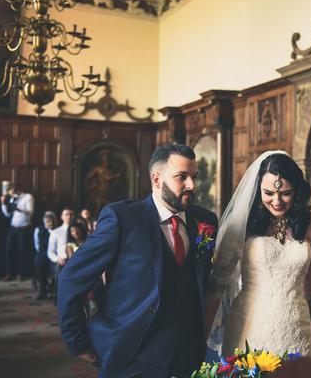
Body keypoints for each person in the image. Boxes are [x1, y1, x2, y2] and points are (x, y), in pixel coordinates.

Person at [58, 143, 218, 378]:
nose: (191, 185)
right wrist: (78, 341)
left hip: (190, 356)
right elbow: (72, 277)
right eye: (181, 177)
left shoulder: (205, 221)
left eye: (194, 176)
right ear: (156, 179)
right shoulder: (122, 218)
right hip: (132, 354)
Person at [206, 151, 311, 359]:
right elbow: (217, 285)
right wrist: (201, 338)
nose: (277, 200)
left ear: (297, 191)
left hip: (298, 329)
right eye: (268, 193)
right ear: (258, 189)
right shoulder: (243, 224)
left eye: (285, 193)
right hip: (249, 328)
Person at [1, 184, 34, 281]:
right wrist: (3, 204)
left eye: (12, 193)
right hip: (13, 227)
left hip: (24, 227)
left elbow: (31, 211)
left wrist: (18, 208)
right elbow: (7, 214)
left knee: (21, 251)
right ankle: (9, 273)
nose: (11, 195)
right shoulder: (13, 199)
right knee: (9, 250)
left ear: (17, 191)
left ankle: (20, 274)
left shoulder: (28, 197)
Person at [33, 211, 56, 301]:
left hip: (54, 255)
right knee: (39, 263)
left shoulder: (57, 230)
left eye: (50, 221)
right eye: (47, 222)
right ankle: (42, 291)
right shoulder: (39, 230)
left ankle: (53, 290)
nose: (49, 224)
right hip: (43, 254)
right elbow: (37, 245)